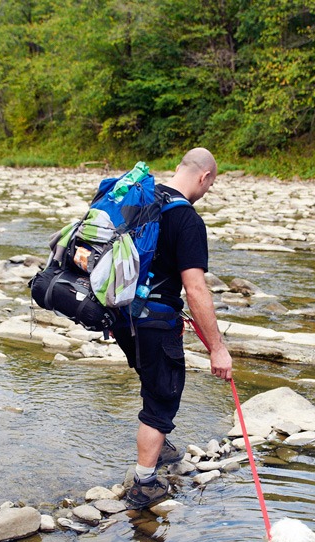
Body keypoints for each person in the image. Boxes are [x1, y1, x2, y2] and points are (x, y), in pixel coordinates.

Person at [112, 148, 233, 509]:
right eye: (210, 184)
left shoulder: (138, 201)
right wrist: (217, 348)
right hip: (155, 320)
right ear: (205, 177)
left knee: (151, 375)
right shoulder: (187, 220)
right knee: (162, 399)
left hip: (120, 315)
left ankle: (158, 444)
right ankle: (143, 484)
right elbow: (195, 289)